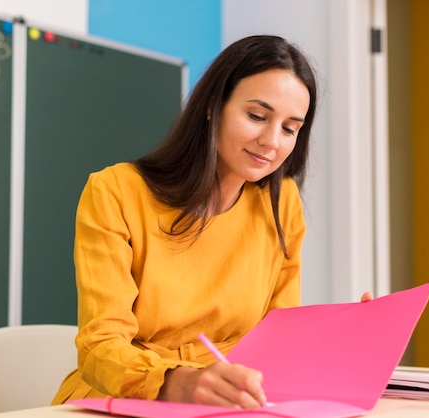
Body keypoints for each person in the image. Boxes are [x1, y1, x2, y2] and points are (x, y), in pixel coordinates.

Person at [52, 34, 370, 410]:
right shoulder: (115, 192)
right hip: (124, 399)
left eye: (289, 128)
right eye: (256, 116)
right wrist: (180, 382)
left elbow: (279, 342)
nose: (271, 141)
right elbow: (99, 349)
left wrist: (346, 338)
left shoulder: (282, 205)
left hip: (229, 401)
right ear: (212, 106)